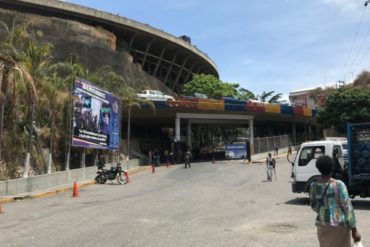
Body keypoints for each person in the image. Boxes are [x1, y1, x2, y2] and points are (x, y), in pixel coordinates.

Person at [309, 155, 361, 247]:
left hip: (323, 225)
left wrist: (324, 211)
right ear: (332, 168)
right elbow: (347, 207)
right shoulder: (339, 185)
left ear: (319, 169)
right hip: (340, 226)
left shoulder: (313, 186)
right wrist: (354, 229)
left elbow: (314, 206)